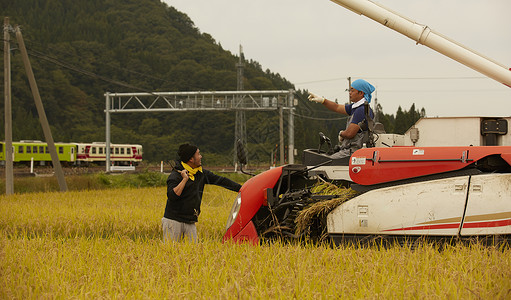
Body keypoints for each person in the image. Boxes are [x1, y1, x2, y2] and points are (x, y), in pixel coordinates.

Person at [162, 143, 242, 243]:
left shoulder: (201, 173)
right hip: (173, 221)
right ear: (191, 159)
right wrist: (184, 180)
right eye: (198, 154)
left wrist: (243, 189)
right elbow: (172, 196)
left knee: (194, 253)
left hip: (190, 221)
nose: (201, 156)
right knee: (171, 252)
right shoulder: (176, 175)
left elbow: (221, 181)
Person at [308, 79, 375, 159]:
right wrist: (323, 100)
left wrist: (341, 134)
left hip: (354, 152)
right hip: (350, 150)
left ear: (361, 93)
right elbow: (337, 107)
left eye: (352, 91)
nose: (349, 93)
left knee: (326, 162)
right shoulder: (356, 107)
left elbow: (350, 133)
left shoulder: (361, 110)